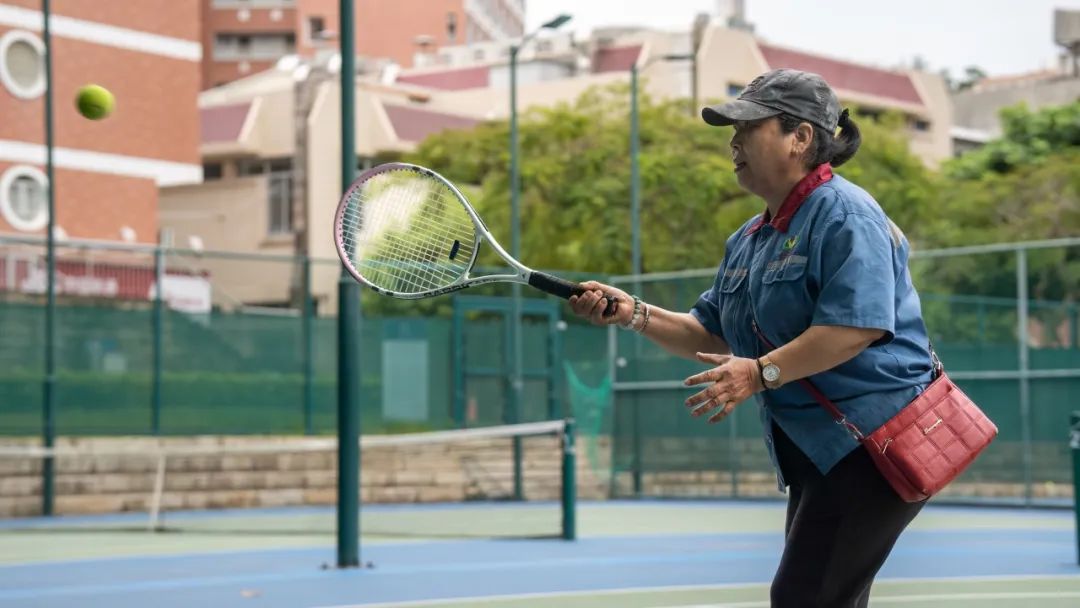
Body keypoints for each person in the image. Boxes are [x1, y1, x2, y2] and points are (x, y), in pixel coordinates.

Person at [568, 68, 933, 607]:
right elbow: (708, 332)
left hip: (873, 446)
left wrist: (759, 372)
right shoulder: (749, 239)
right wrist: (632, 313)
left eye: (749, 126)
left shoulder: (848, 214)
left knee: (802, 598)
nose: (734, 141)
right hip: (820, 450)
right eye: (731, 129)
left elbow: (854, 327)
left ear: (801, 137)